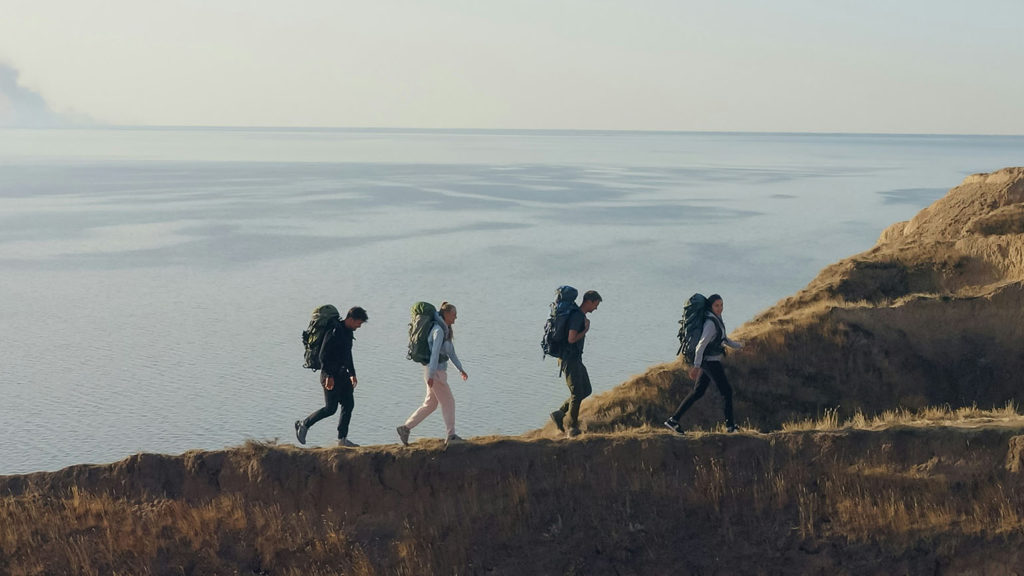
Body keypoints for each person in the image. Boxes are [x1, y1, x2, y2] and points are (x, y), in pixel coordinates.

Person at [665, 294, 742, 434]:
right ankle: (730, 426)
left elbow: (724, 339)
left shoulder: (716, 319)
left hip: (709, 362)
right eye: (716, 305)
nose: (720, 308)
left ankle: (673, 421)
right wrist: (696, 366)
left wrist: (741, 346)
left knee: (698, 392)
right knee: (727, 391)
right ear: (710, 306)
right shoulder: (710, 324)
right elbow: (700, 346)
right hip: (710, 362)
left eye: (721, 305)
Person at [397, 302, 469, 447]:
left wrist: (460, 369)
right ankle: (451, 436)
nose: (456, 318)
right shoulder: (438, 330)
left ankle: (405, 428)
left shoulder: (444, 329)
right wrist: (431, 375)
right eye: (454, 314)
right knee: (449, 402)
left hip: (434, 372)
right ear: (447, 314)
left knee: (431, 404)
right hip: (436, 373)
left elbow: (451, 352)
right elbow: (435, 354)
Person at [295, 306, 368, 447]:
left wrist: (352, 374)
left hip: (343, 375)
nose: (359, 326)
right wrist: (328, 375)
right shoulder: (334, 331)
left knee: (349, 404)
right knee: (330, 409)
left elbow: (348, 355)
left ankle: (342, 439)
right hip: (329, 375)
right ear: (351, 319)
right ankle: (304, 424)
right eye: (358, 323)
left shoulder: (348, 333)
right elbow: (323, 355)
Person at [549, 290, 602, 438]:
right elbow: (571, 339)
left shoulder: (579, 315)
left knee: (586, 389)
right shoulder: (577, 316)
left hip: (575, 359)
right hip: (569, 359)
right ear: (589, 301)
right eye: (596, 304)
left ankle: (559, 413)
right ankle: (572, 427)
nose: (596, 308)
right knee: (577, 393)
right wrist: (585, 330)